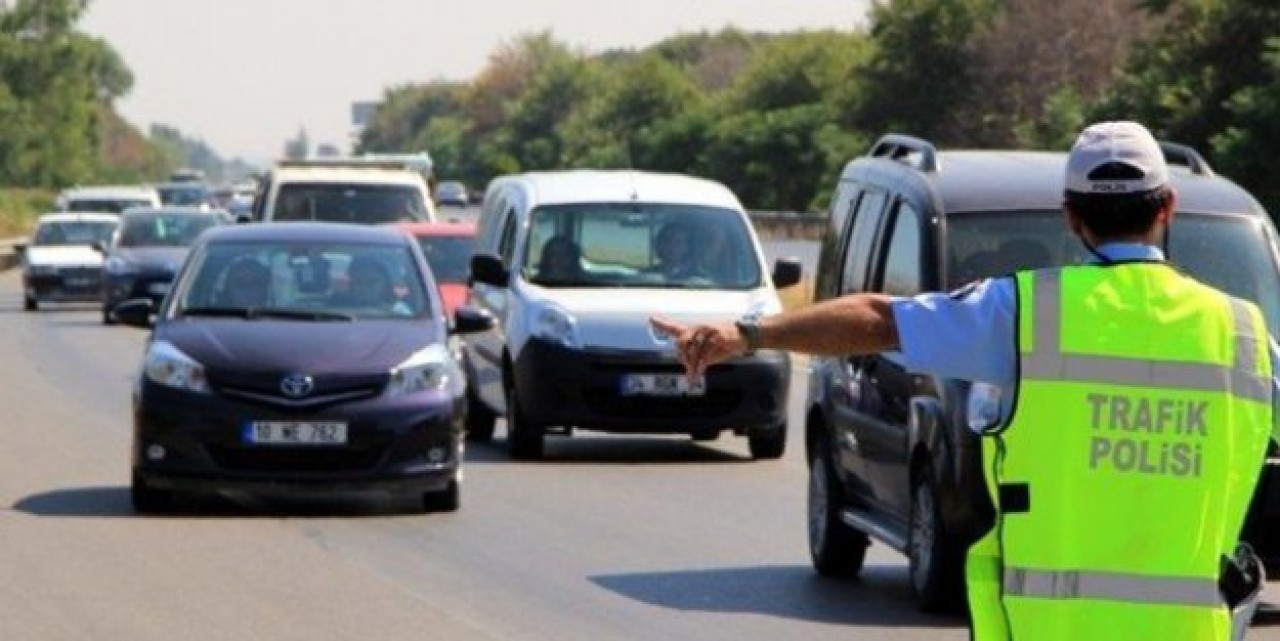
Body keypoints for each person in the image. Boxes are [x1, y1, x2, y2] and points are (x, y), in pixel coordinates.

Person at [652, 121, 1277, 640]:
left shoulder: (1025, 313)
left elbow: (876, 319)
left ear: (1071, 217)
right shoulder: (1246, 336)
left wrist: (750, 334)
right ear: (1167, 210)